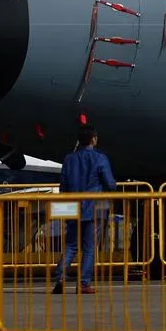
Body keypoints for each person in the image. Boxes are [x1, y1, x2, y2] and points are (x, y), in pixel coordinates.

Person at [53, 125, 116, 294]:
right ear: (94, 139)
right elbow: (110, 184)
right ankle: (83, 283)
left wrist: (64, 208)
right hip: (95, 207)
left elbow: (63, 186)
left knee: (71, 246)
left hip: (73, 206)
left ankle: (59, 278)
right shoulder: (100, 158)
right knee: (89, 248)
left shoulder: (69, 159)